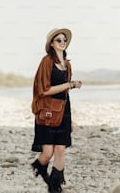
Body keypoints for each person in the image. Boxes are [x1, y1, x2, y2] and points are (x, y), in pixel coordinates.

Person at [31, 28, 82, 193]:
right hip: (47, 111)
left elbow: (65, 94)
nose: (62, 42)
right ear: (52, 44)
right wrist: (70, 84)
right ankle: (38, 166)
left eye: (64, 40)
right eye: (58, 40)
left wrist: (70, 119)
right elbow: (43, 90)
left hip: (63, 110)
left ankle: (55, 186)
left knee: (60, 149)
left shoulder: (67, 64)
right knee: (47, 153)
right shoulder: (46, 62)